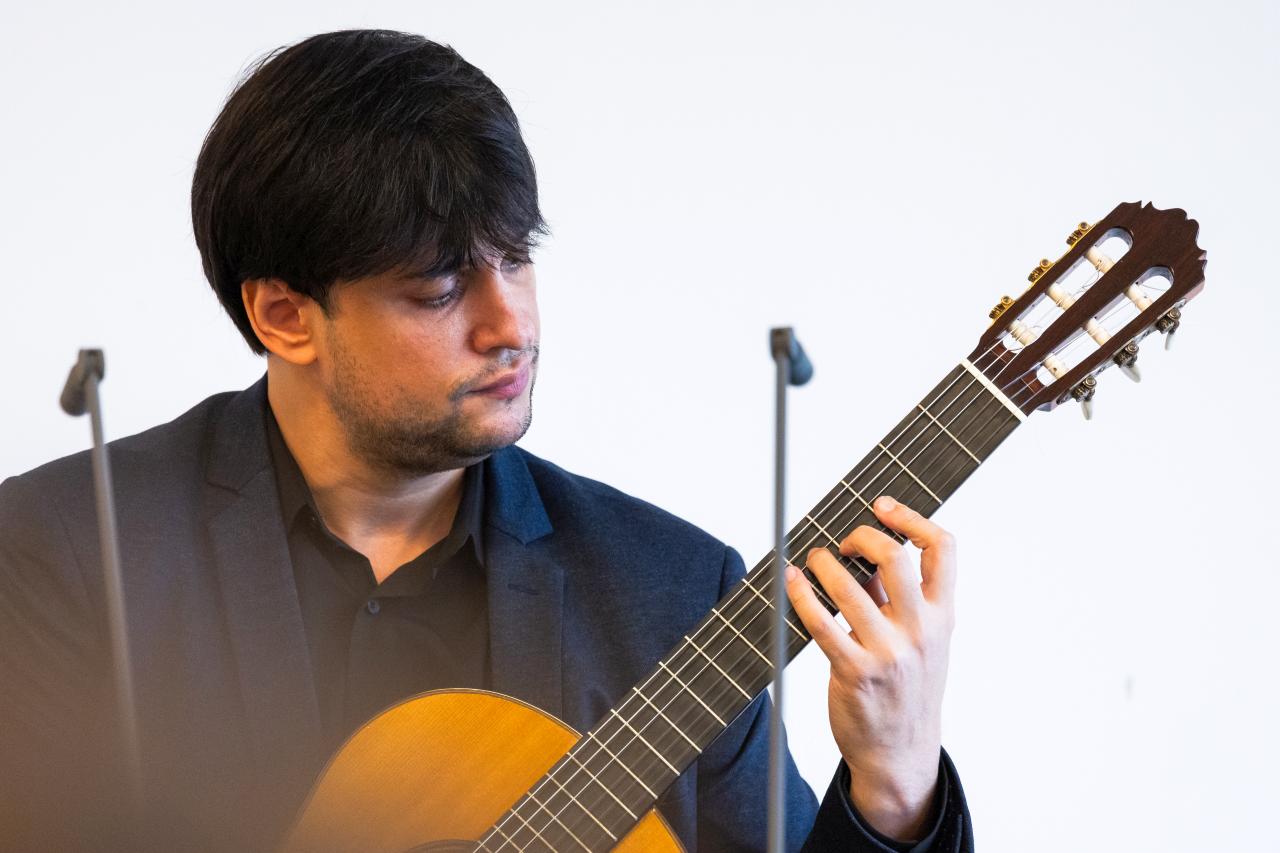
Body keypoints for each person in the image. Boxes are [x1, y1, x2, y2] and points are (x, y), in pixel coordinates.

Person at [0, 29, 973, 852]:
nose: (511, 325)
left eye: (517, 258)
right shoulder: (67, 558)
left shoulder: (670, 596)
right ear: (285, 316)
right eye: (439, 288)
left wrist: (896, 786)